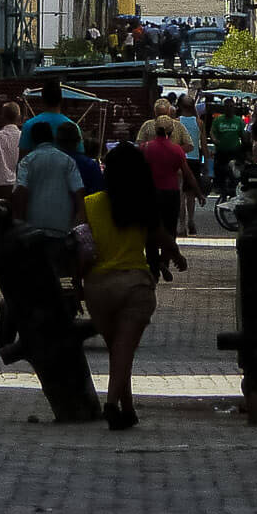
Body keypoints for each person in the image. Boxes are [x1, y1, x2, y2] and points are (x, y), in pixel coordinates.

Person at [80, 141, 161, 432]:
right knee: (124, 349)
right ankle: (112, 403)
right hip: (134, 286)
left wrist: (75, 282)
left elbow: (82, 244)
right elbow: (159, 238)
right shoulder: (145, 202)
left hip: (98, 288)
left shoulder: (90, 204)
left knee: (118, 349)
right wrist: (174, 258)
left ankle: (127, 409)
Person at [142, 120, 197, 278]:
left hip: (151, 193)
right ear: (171, 132)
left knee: (152, 229)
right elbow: (187, 173)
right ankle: (164, 261)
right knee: (170, 229)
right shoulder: (176, 150)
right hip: (171, 193)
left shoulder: (145, 148)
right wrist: (198, 192)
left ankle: (153, 266)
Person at [15, 120, 84, 235]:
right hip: (62, 227)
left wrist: (19, 221)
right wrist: (78, 220)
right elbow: (79, 191)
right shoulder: (67, 161)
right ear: (53, 138)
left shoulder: (27, 161)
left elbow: (21, 190)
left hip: (33, 227)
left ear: (33, 140)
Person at [20, 74, 72, 151]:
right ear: (61, 100)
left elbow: (23, 158)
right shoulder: (72, 127)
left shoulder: (29, 125)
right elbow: (78, 156)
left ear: (42, 100)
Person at [55, 118, 103, 195]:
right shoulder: (90, 165)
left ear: (57, 141)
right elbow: (98, 192)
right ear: (78, 141)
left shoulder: (50, 163)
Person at [175, 97, 202, 232]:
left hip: (181, 158)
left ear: (179, 105)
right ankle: (191, 220)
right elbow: (203, 145)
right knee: (191, 194)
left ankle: (182, 225)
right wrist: (207, 166)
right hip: (195, 159)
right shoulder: (199, 122)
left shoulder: (177, 122)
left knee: (181, 194)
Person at [211, 100, 246, 198]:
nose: (229, 109)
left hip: (234, 151)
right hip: (221, 152)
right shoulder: (218, 120)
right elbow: (212, 132)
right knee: (220, 171)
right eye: (227, 107)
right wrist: (215, 140)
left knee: (234, 173)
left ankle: (234, 189)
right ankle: (220, 188)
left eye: (231, 107)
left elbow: (243, 135)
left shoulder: (238, 120)